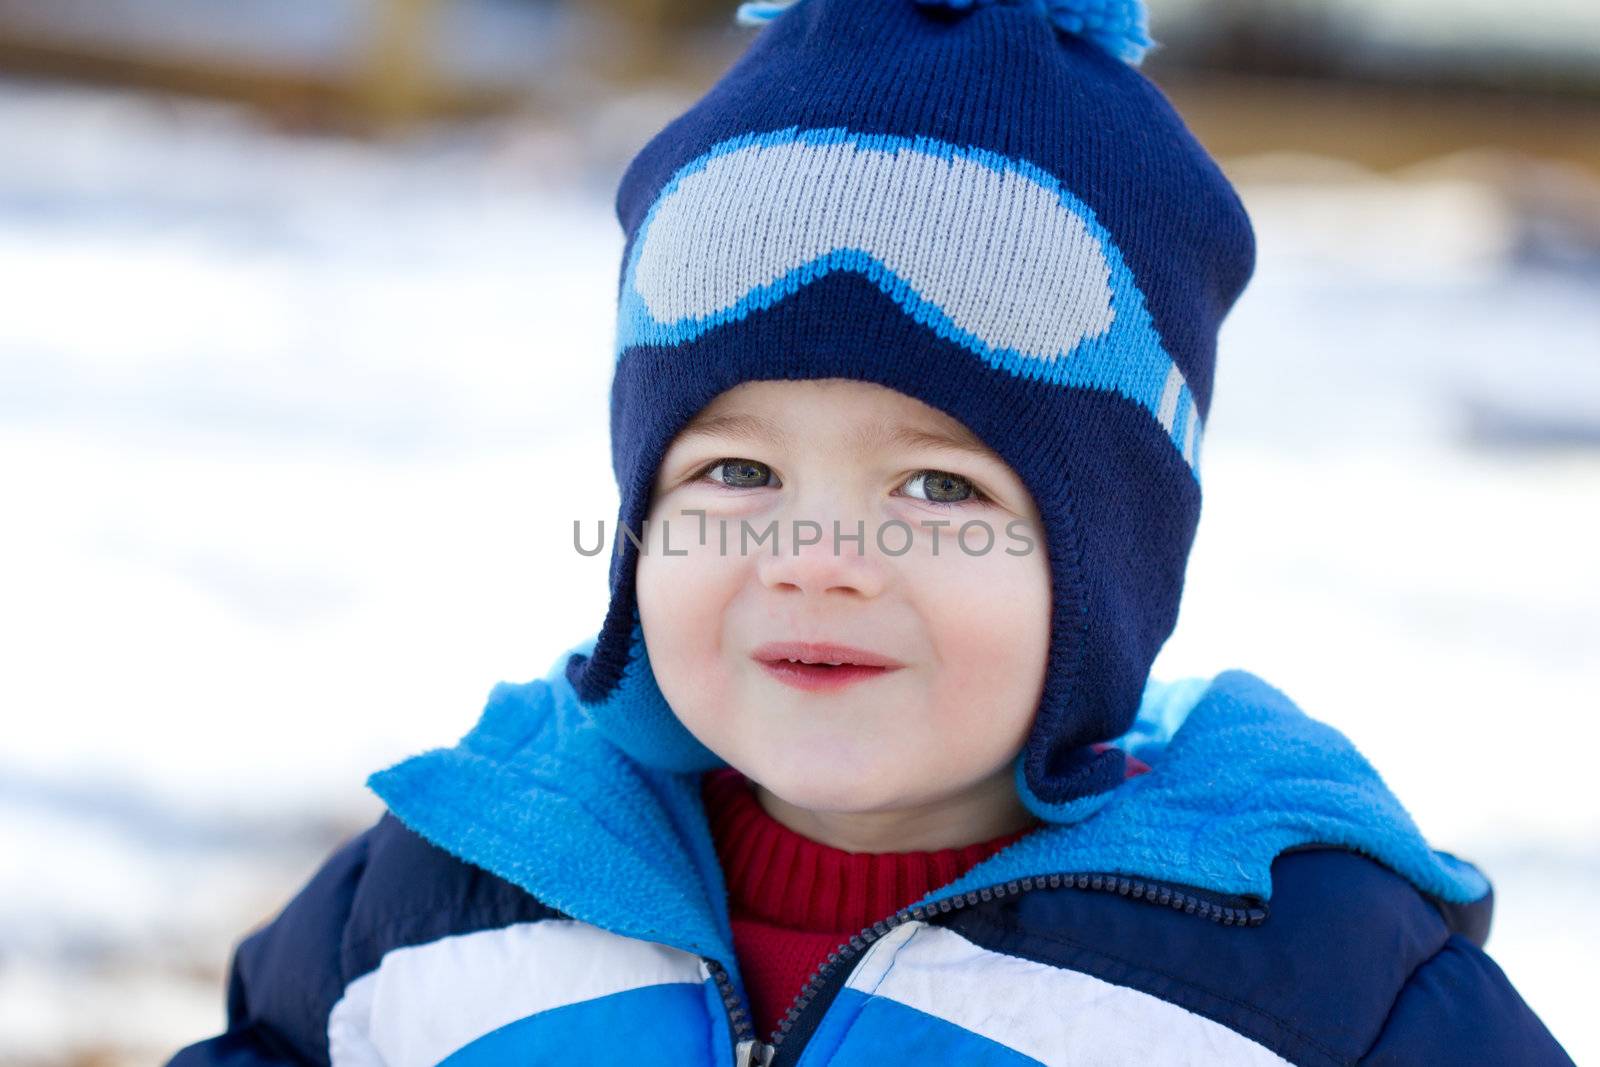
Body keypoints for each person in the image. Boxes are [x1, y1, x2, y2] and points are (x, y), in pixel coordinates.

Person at [169, 0, 1574, 1063]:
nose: (817, 556)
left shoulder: (1300, 982)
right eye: (732, 474)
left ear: (1112, 573)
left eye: (939, 491)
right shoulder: (451, 899)